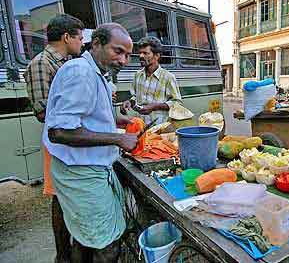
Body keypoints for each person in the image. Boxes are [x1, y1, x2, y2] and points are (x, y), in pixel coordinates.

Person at [43, 23, 138, 262]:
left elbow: (86, 115)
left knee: (86, 238)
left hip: (88, 170)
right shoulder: (81, 72)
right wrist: (118, 138)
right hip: (81, 173)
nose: (124, 60)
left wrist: (118, 120)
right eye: (118, 51)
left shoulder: (95, 73)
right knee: (107, 246)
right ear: (96, 43)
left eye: (127, 55)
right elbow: (59, 131)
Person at [23, 13, 84, 263]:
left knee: (72, 194)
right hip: (57, 142)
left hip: (71, 140)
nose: (82, 43)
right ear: (66, 37)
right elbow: (42, 112)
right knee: (59, 197)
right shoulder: (41, 63)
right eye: (79, 38)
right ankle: (63, 255)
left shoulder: (66, 62)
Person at [121, 36, 182, 124]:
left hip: (159, 127)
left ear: (157, 56)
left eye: (145, 53)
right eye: (140, 53)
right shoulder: (137, 75)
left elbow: (177, 103)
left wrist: (154, 106)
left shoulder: (168, 77)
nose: (141, 56)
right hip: (139, 125)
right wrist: (129, 103)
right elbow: (134, 96)